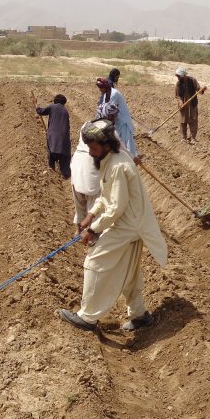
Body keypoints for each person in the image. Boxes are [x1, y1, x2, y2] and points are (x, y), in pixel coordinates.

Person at [59, 120, 168, 332]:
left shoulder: (118, 165)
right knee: (130, 272)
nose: (90, 153)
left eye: (93, 148)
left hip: (128, 225)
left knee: (94, 260)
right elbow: (106, 195)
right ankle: (139, 315)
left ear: (107, 144)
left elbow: (116, 207)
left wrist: (92, 230)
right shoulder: (110, 160)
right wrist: (90, 216)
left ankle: (87, 317)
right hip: (130, 223)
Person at [95, 77, 138, 158]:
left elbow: (111, 110)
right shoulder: (105, 95)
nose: (99, 89)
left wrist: (106, 125)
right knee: (119, 141)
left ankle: (132, 158)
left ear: (105, 86)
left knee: (126, 142)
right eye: (99, 87)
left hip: (122, 120)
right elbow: (104, 109)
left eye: (101, 87)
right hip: (117, 120)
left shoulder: (113, 94)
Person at [70, 121, 101, 224]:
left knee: (79, 203)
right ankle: (92, 233)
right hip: (90, 165)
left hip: (77, 163)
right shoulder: (108, 130)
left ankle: (79, 229)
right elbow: (120, 148)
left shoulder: (86, 124)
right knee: (93, 202)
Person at [36, 94, 71, 179]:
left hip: (53, 135)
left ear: (55, 101)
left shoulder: (52, 107)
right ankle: (65, 174)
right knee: (64, 155)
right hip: (64, 137)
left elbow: (41, 111)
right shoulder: (65, 111)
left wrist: (37, 107)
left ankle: (52, 170)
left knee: (52, 151)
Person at [173, 66, 207, 143]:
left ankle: (193, 138)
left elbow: (198, 90)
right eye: (177, 76)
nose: (178, 78)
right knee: (183, 121)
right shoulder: (178, 83)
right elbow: (177, 95)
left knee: (193, 121)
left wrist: (202, 89)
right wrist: (181, 103)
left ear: (184, 76)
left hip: (192, 104)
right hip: (183, 106)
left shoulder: (192, 80)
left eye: (179, 76)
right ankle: (183, 138)